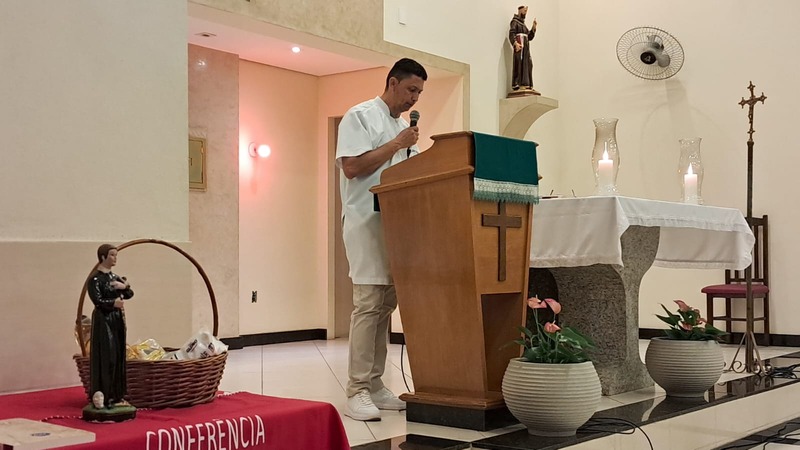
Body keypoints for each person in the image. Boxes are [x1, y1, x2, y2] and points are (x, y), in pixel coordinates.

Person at [335, 58, 427, 421]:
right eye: (411, 90)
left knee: (386, 305)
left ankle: (375, 385)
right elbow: (352, 167)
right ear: (392, 83)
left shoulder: (404, 128)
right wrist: (397, 144)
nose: (414, 98)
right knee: (368, 303)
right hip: (365, 222)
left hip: (396, 223)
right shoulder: (360, 116)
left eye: (419, 92)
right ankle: (356, 389)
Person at [88, 244, 134, 410]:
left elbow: (129, 294)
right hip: (104, 320)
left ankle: (117, 395)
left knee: (119, 354)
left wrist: (125, 287)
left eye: (116, 255)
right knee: (108, 356)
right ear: (103, 257)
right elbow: (97, 300)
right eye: (112, 255)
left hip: (117, 320)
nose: (115, 258)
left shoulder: (115, 277)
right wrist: (113, 303)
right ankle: (105, 395)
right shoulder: (95, 279)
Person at [509, 5, 537, 91]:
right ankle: (518, 83)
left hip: (526, 49)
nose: (525, 13)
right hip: (520, 47)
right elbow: (512, 33)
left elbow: (529, 37)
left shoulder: (523, 25)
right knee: (519, 64)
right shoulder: (515, 22)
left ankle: (527, 83)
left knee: (528, 64)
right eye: (524, 11)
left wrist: (533, 28)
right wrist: (515, 43)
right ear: (520, 10)